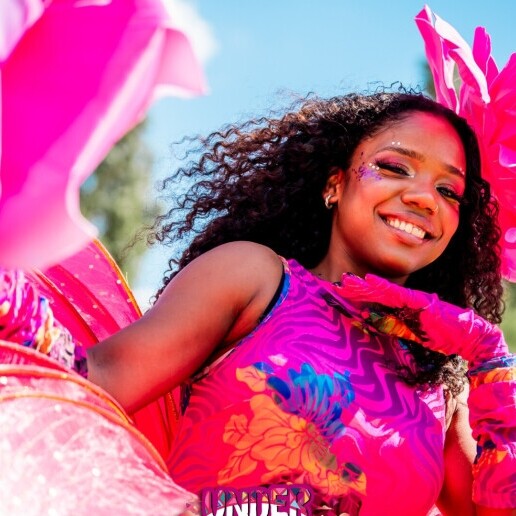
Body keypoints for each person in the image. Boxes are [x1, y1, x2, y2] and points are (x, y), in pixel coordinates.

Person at [87, 91, 515, 516]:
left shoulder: (441, 382)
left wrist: (490, 359)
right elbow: (92, 388)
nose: (424, 198)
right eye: (394, 167)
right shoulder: (254, 278)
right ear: (335, 184)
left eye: (449, 190)